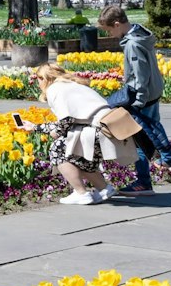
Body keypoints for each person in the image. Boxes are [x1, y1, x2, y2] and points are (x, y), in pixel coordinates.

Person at [15, 64, 147, 205]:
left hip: (95, 131)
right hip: (107, 128)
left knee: (58, 149)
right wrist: (36, 127)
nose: (38, 83)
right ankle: (104, 189)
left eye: (38, 79)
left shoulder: (54, 89)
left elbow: (67, 121)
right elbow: (76, 118)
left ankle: (80, 193)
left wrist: (51, 132)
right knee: (80, 156)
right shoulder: (74, 85)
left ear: (44, 78)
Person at [97, 5, 171, 194]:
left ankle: (144, 181)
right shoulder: (141, 36)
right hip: (152, 91)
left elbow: (140, 74)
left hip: (141, 95)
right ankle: (161, 157)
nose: (110, 35)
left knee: (137, 136)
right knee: (150, 128)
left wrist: (139, 100)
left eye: (109, 30)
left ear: (117, 24)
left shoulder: (132, 45)